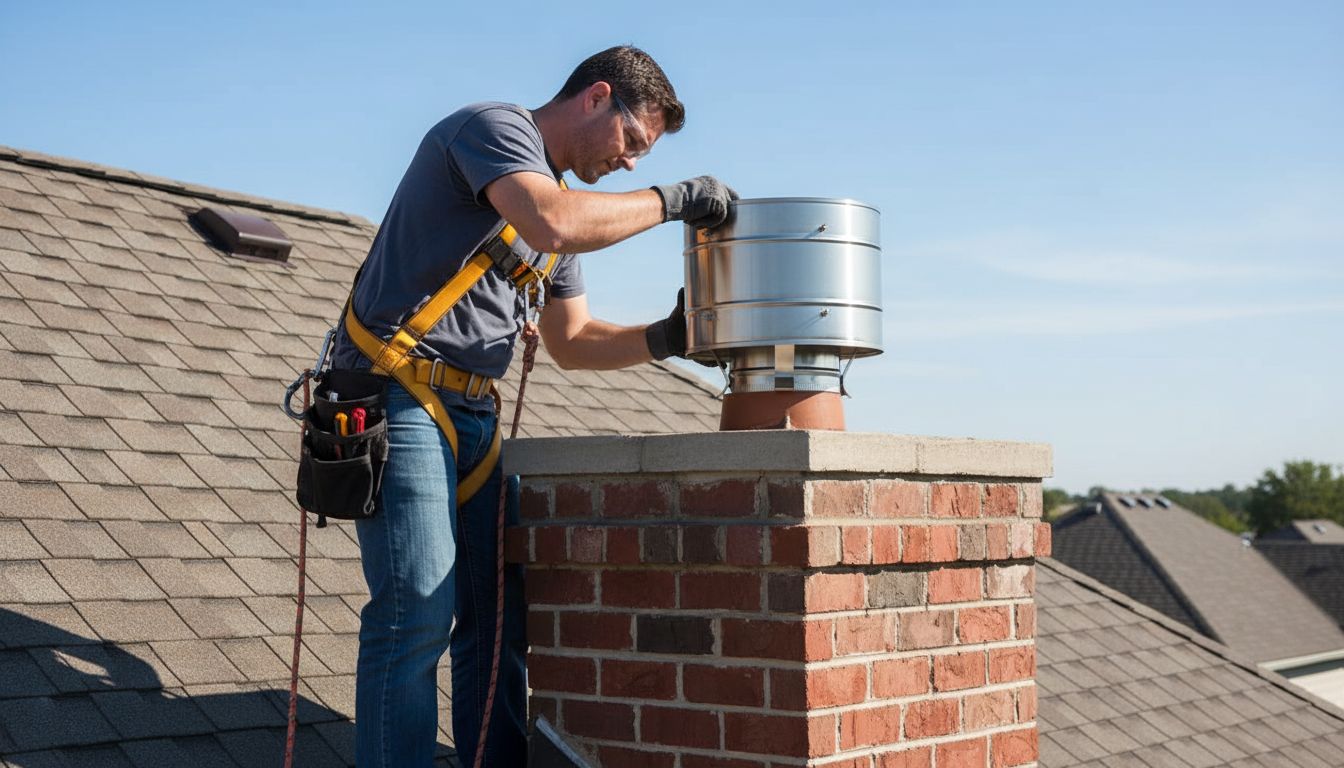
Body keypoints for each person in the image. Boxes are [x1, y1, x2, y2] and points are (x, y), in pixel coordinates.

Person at [326, 45, 736, 767]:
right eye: (632, 140)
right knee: (417, 610)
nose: (634, 163)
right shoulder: (492, 131)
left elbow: (573, 341)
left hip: (473, 417)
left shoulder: (562, 217)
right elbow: (551, 221)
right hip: (401, 391)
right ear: (595, 97)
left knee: (495, 615)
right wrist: (673, 201)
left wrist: (670, 336)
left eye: (646, 157)